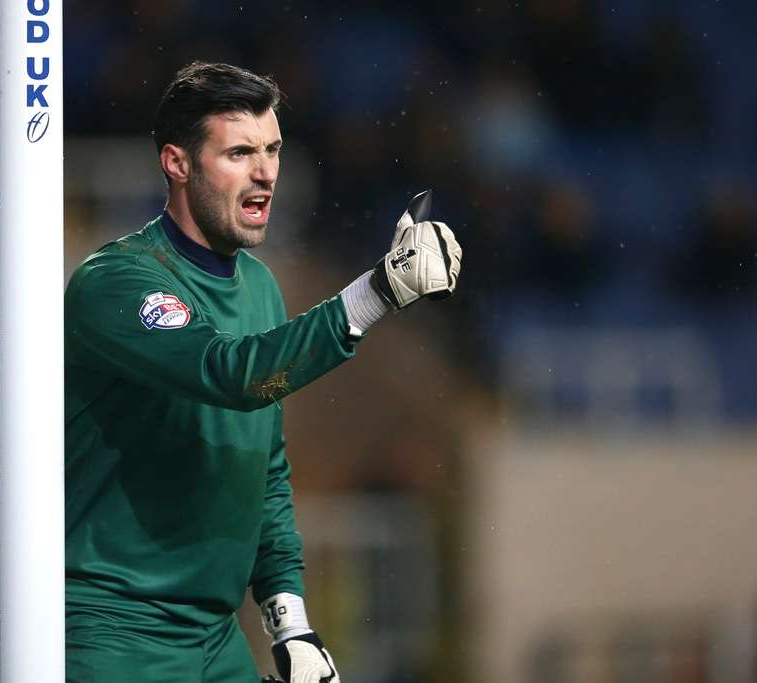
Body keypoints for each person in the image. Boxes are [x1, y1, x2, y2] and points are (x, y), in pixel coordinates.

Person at [63, 61, 462, 683]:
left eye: (273, 150)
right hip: (116, 631)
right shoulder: (117, 282)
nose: (265, 172)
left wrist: (290, 623)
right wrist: (377, 291)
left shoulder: (260, 289)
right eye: (240, 152)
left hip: (218, 639)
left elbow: (266, 473)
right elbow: (232, 377)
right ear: (177, 163)